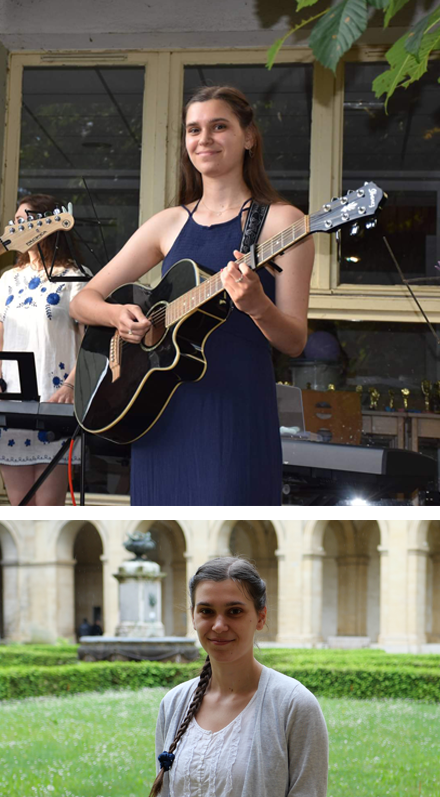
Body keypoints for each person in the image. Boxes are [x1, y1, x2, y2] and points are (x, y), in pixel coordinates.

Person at [70, 86, 314, 505]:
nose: (204, 139)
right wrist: (116, 317)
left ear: (249, 136)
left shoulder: (283, 223)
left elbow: (294, 341)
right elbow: (82, 300)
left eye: (220, 127)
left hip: (234, 413)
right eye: (193, 129)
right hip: (157, 411)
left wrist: (257, 306)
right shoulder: (167, 223)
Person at [149, 557, 328, 797]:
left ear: (261, 617)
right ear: (193, 616)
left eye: (234, 611)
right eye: (206, 611)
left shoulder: (294, 706)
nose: (219, 625)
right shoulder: (174, 703)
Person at [0, 193, 86, 505]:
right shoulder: (8, 279)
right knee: (19, 507)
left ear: (47, 225)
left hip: (55, 399)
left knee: (47, 508)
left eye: (23, 221)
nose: (15, 226)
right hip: (9, 402)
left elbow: (90, 342)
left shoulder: (75, 277)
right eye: (15, 220)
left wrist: (71, 385)